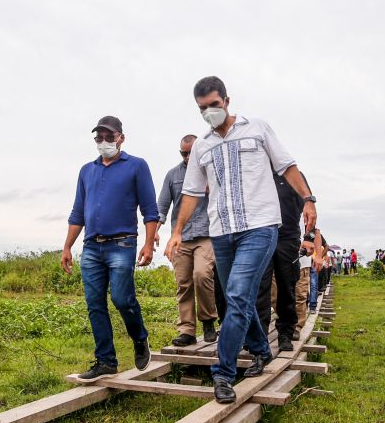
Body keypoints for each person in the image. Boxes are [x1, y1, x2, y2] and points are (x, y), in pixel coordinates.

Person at [164, 76, 317, 404]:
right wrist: (176, 232)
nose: (209, 112)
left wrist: (308, 199)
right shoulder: (202, 145)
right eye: (202, 108)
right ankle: (261, 349)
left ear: (227, 101)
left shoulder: (257, 128)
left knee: (235, 295)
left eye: (214, 105)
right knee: (241, 299)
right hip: (221, 232)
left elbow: (287, 166)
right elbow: (191, 192)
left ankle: (222, 372)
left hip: (260, 227)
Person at [61, 116, 159, 382]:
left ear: (121, 138)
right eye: (99, 137)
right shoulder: (87, 170)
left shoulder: (136, 166)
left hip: (122, 243)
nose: (104, 141)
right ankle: (105, 361)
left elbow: (150, 210)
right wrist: (67, 246)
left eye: (109, 136)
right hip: (92, 246)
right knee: (95, 304)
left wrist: (148, 244)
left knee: (121, 298)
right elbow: (78, 212)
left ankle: (139, 338)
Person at [156, 135, 218, 346]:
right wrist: (155, 231)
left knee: (202, 274)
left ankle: (208, 320)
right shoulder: (173, 175)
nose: (188, 157)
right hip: (181, 236)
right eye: (184, 153)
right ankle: (187, 330)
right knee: (183, 283)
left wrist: (212, 188)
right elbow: (162, 207)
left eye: (192, 152)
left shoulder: (212, 170)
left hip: (207, 234)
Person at [257, 170, 314, 352]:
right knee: (261, 287)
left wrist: (309, 237)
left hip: (287, 237)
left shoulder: (293, 175)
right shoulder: (258, 172)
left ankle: (286, 332)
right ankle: (259, 334)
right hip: (261, 236)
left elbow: (309, 211)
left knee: (286, 285)